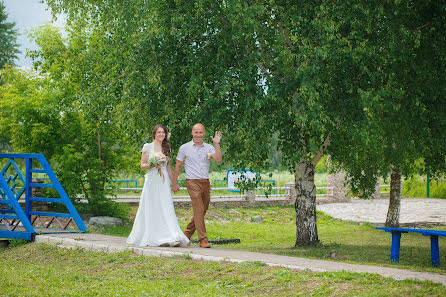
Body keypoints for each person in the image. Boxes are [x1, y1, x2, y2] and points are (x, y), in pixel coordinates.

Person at [127, 124, 189, 247]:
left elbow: (168, 167)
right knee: (151, 206)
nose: (161, 134)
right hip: (151, 179)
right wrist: (152, 163)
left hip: (163, 180)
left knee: (166, 206)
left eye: (163, 132)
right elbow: (142, 165)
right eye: (159, 132)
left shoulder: (167, 148)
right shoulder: (148, 146)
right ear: (154, 134)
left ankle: (171, 236)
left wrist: (174, 183)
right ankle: (153, 236)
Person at [172, 123, 222, 248]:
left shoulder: (209, 147)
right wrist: (174, 183)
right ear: (192, 133)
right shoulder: (184, 148)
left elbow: (218, 159)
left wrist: (217, 144)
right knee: (198, 209)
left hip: (205, 182)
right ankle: (203, 239)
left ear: (204, 133)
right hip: (192, 182)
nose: (198, 135)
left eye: (200, 132)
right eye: (196, 132)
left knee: (202, 211)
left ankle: (186, 235)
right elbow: (177, 166)